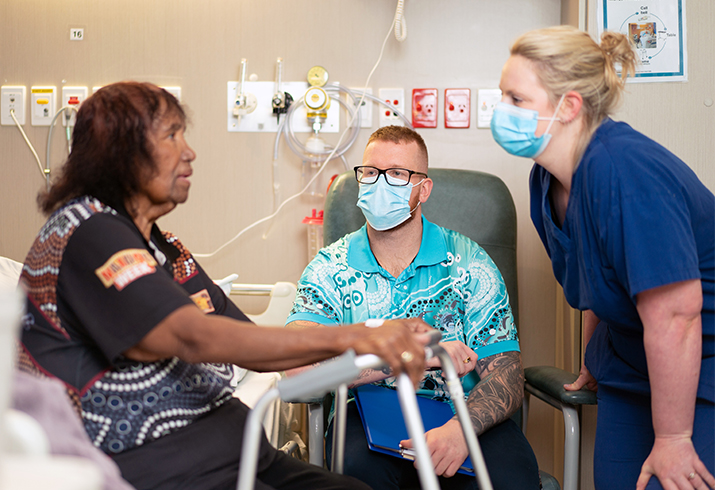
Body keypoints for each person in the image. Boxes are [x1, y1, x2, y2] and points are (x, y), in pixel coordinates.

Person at [17, 81, 433, 490]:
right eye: (172, 135)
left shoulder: (162, 247)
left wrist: (379, 339)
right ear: (121, 152)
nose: (189, 151)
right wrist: (361, 335)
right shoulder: (88, 231)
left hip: (236, 453)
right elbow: (191, 336)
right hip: (166, 467)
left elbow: (252, 346)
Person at [490, 25, 714, 490]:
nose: (500, 112)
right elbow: (595, 274)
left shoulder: (626, 172)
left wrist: (674, 436)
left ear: (569, 106)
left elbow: (677, 318)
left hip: (701, 370)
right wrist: (594, 356)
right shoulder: (546, 180)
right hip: (631, 367)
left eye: (516, 99)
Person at [285, 126, 541, 489]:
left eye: (398, 174)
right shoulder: (329, 269)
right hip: (370, 413)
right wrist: (410, 356)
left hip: (463, 412)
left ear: (423, 188)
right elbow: (298, 370)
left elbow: (508, 375)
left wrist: (459, 431)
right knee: (360, 477)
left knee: (511, 479)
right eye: (371, 173)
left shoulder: (470, 263)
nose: (380, 184)